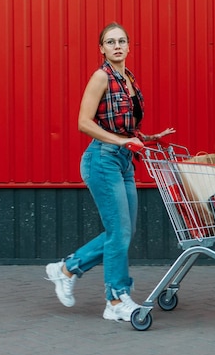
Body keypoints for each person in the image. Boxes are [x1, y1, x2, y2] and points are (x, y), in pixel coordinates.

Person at [45, 22, 176, 321]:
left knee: (122, 234)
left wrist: (149, 137)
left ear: (129, 47)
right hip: (101, 160)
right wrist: (120, 141)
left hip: (123, 161)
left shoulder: (129, 79)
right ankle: (116, 301)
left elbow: (125, 127)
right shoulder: (100, 77)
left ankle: (65, 269)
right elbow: (84, 122)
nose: (116, 46)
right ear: (101, 49)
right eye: (110, 42)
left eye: (121, 41)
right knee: (119, 233)